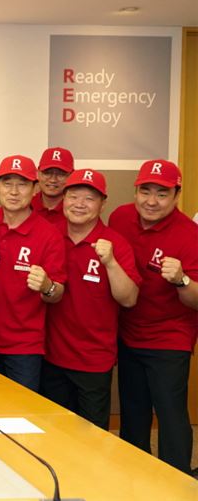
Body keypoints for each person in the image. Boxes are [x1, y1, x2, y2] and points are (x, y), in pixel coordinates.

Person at [109, 159, 198, 474]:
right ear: (135, 191)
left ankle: (178, 482)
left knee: (171, 415)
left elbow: (196, 300)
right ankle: (136, 479)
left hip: (169, 338)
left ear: (176, 195)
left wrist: (182, 280)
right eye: (145, 191)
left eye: (162, 194)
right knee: (133, 413)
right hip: (128, 333)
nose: (151, 201)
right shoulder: (120, 217)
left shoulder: (190, 234)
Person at [42, 169, 139, 428]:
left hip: (93, 360)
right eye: (73, 196)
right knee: (54, 433)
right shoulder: (49, 235)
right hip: (51, 356)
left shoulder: (115, 243)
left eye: (89, 198)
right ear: (63, 199)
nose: (79, 204)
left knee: (92, 437)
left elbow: (129, 299)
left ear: (102, 204)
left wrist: (111, 263)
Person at [0, 155, 65, 391]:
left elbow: (57, 294)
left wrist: (47, 286)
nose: (14, 192)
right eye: (7, 183)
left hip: (25, 348)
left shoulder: (49, 234)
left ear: (34, 188)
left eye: (22, 184)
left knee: (21, 412)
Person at [31, 147, 73, 227]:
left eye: (61, 174)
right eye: (47, 173)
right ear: (38, 173)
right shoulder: (25, 206)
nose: (53, 180)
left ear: (72, 175)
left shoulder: (77, 211)